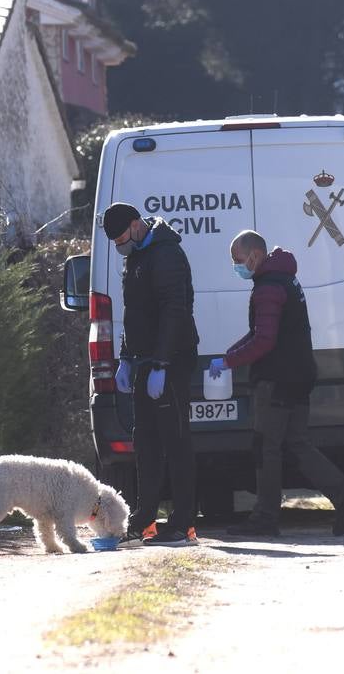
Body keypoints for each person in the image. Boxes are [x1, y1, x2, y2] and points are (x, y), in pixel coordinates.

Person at [211, 230, 344, 538]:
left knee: (266, 446)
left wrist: (229, 361)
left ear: (254, 255)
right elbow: (262, 332)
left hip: (277, 379)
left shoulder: (268, 288)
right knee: (297, 443)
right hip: (299, 374)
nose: (236, 265)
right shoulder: (285, 280)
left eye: (237, 259)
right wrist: (231, 353)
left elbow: (265, 340)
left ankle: (265, 518)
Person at [103, 202, 200, 548]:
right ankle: (145, 519)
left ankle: (183, 523)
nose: (119, 245)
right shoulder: (137, 256)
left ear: (136, 224)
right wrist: (126, 359)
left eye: (121, 237)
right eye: (114, 242)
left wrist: (161, 363)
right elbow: (134, 313)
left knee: (175, 440)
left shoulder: (166, 254)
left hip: (171, 360)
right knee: (145, 442)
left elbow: (175, 310)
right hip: (145, 361)